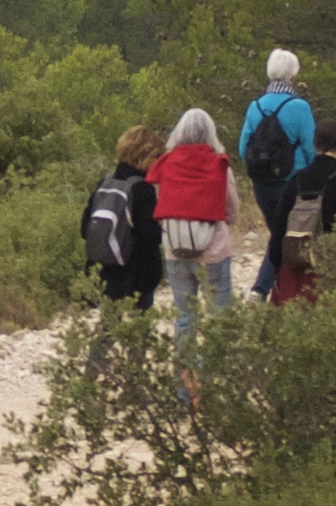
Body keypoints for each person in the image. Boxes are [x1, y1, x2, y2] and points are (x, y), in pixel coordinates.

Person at [149, 119, 236, 362]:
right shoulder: (220, 164)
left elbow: (161, 204)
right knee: (219, 316)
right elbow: (231, 209)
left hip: (175, 249)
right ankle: (213, 381)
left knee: (185, 317)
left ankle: (185, 387)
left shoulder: (166, 163)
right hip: (213, 251)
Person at [240, 53, 316, 298]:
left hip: (261, 184)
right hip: (291, 183)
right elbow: (310, 148)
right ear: (293, 76)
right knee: (284, 239)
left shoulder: (255, 106)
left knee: (278, 235)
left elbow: (243, 149)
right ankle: (263, 289)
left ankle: (272, 290)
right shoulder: (299, 107)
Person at [273, 118, 336, 303]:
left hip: (298, 274)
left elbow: (278, 230)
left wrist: (279, 271)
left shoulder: (297, 180)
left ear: (315, 144)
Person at [87, 129, 166, 309]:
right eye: (158, 156)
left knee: (110, 328)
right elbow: (150, 237)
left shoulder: (105, 183)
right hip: (138, 274)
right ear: (146, 156)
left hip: (104, 271)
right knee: (141, 329)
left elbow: (85, 228)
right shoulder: (142, 189)